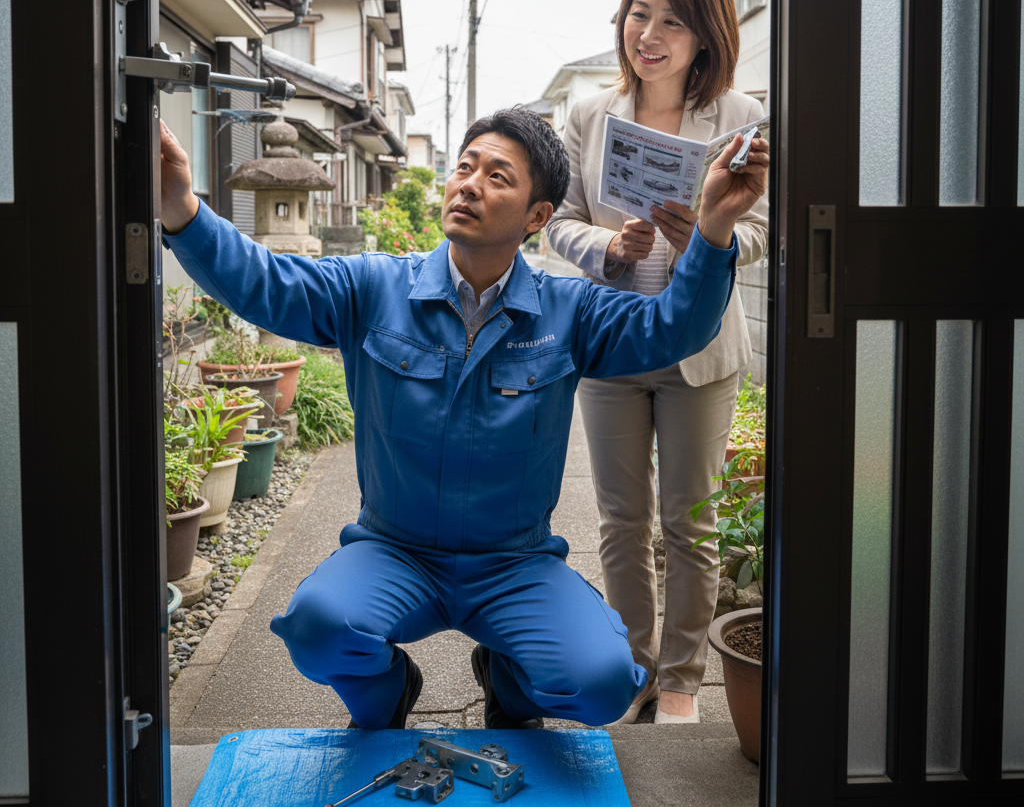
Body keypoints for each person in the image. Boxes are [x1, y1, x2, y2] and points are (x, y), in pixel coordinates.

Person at [159, 101, 767, 729]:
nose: (470, 184)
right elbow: (265, 282)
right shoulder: (372, 289)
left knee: (604, 683)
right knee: (318, 627)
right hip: (394, 552)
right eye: (464, 167)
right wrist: (182, 207)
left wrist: (716, 224)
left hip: (513, 564)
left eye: (497, 176)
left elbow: (675, 327)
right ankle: (387, 694)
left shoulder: (571, 312)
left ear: (538, 216)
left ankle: (507, 683)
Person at [545, 0, 769, 724]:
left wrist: (706, 232)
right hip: (612, 337)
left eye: (672, 20)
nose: (650, 33)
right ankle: (631, 666)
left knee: (689, 518)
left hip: (699, 347)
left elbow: (762, 229)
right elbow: (559, 226)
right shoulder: (587, 114)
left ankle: (680, 678)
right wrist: (607, 247)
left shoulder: (742, 119)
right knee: (621, 518)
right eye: (640, 14)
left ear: (704, 34)